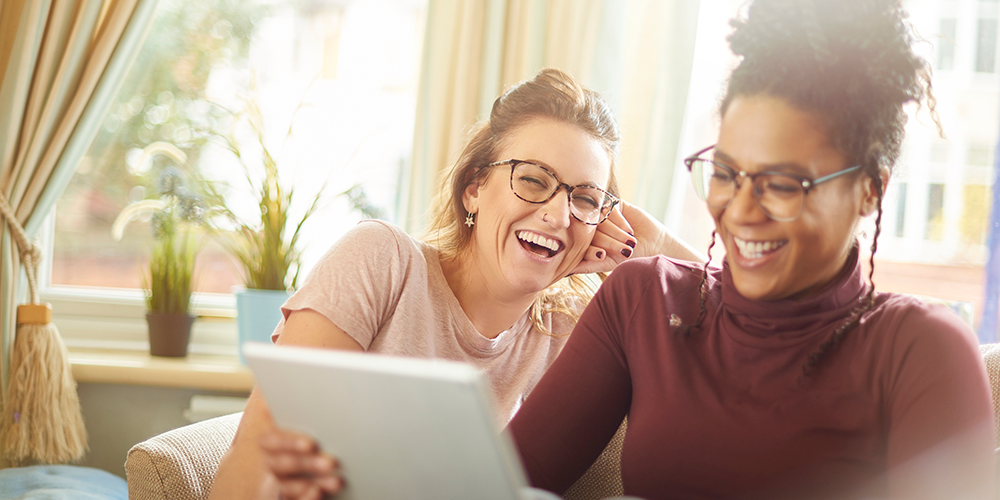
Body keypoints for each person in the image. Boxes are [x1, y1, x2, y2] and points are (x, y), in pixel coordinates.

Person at [506, 1, 996, 499]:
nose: (740, 210)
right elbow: (493, 484)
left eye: (781, 184)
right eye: (724, 174)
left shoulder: (919, 349)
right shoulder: (643, 301)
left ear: (870, 188)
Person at [208, 68, 703, 500]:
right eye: (533, 180)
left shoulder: (570, 334)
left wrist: (655, 241)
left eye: (586, 199)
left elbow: (741, 322)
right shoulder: (381, 261)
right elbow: (259, 453)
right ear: (474, 190)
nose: (557, 214)